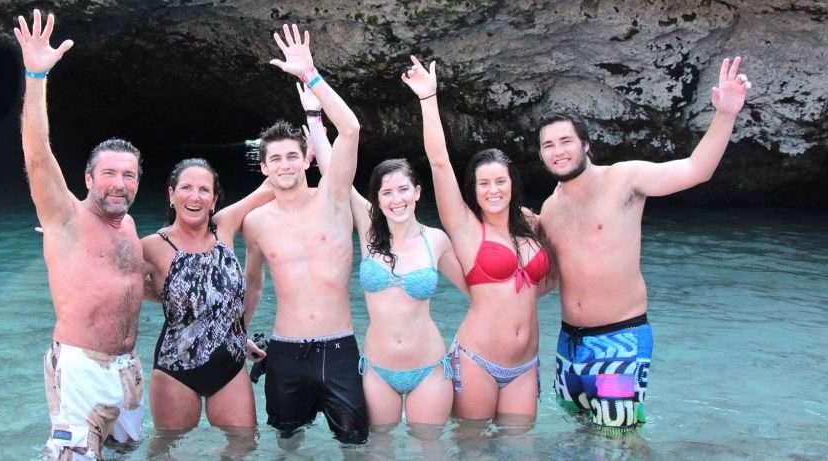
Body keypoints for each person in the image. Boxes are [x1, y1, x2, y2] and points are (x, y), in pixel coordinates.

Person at [537, 57, 751, 433]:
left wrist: (726, 115)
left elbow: (695, 170)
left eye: (566, 141)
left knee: (617, 440)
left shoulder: (625, 179)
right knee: (579, 433)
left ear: (585, 144)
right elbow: (548, 279)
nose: (558, 151)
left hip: (620, 340)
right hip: (569, 345)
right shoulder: (550, 209)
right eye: (548, 145)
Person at [14, 10, 146, 460]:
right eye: (109, 173)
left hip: (127, 368)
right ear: (88, 178)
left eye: (129, 175)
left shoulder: (128, 225)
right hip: (81, 368)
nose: (119, 183)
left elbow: (134, 287)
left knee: (126, 449)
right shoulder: (65, 216)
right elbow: (37, 155)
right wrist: (36, 75)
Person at [299, 84, 466, 429]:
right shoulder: (369, 231)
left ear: (418, 193)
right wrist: (314, 117)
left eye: (403, 189)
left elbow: (477, 294)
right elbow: (336, 174)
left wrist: (469, 345)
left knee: (430, 451)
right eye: (386, 192)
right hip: (377, 367)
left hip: (430, 366)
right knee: (377, 451)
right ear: (377, 199)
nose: (396, 199)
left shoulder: (436, 240)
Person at [401, 56, 552, 429]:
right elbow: (439, 162)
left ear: (512, 183)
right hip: (477, 360)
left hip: (526, 363)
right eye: (484, 184)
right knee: (472, 450)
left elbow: (551, 280)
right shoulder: (466, 228)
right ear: (474, 190)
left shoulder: (532, 226)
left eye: (500, 181)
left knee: (520, 449)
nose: (493, 190)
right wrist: (428, 98)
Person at [241, 24, 368, 444]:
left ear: (306, 159)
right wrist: (237, 334)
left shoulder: (333, 198)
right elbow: (252, 284)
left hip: (339, 347)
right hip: (285, 351)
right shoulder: (257, 221)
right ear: (264, 168)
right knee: (286, 442)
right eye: (274, 159)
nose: (284, 165)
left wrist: (311, 75)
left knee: (355, 443)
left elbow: (349, 129)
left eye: (292, 157)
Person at [139, 158, 271, 436]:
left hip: (231, 365)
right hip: (176, 368)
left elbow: (271, 188)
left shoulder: (224, 226)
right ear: (171, 195)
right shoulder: (152, 246)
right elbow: (118, 283)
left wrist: (307, 154)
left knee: (244, 445)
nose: (195, 196)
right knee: (168, 449)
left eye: (204, 190)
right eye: (186, 187)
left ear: (214, 200)